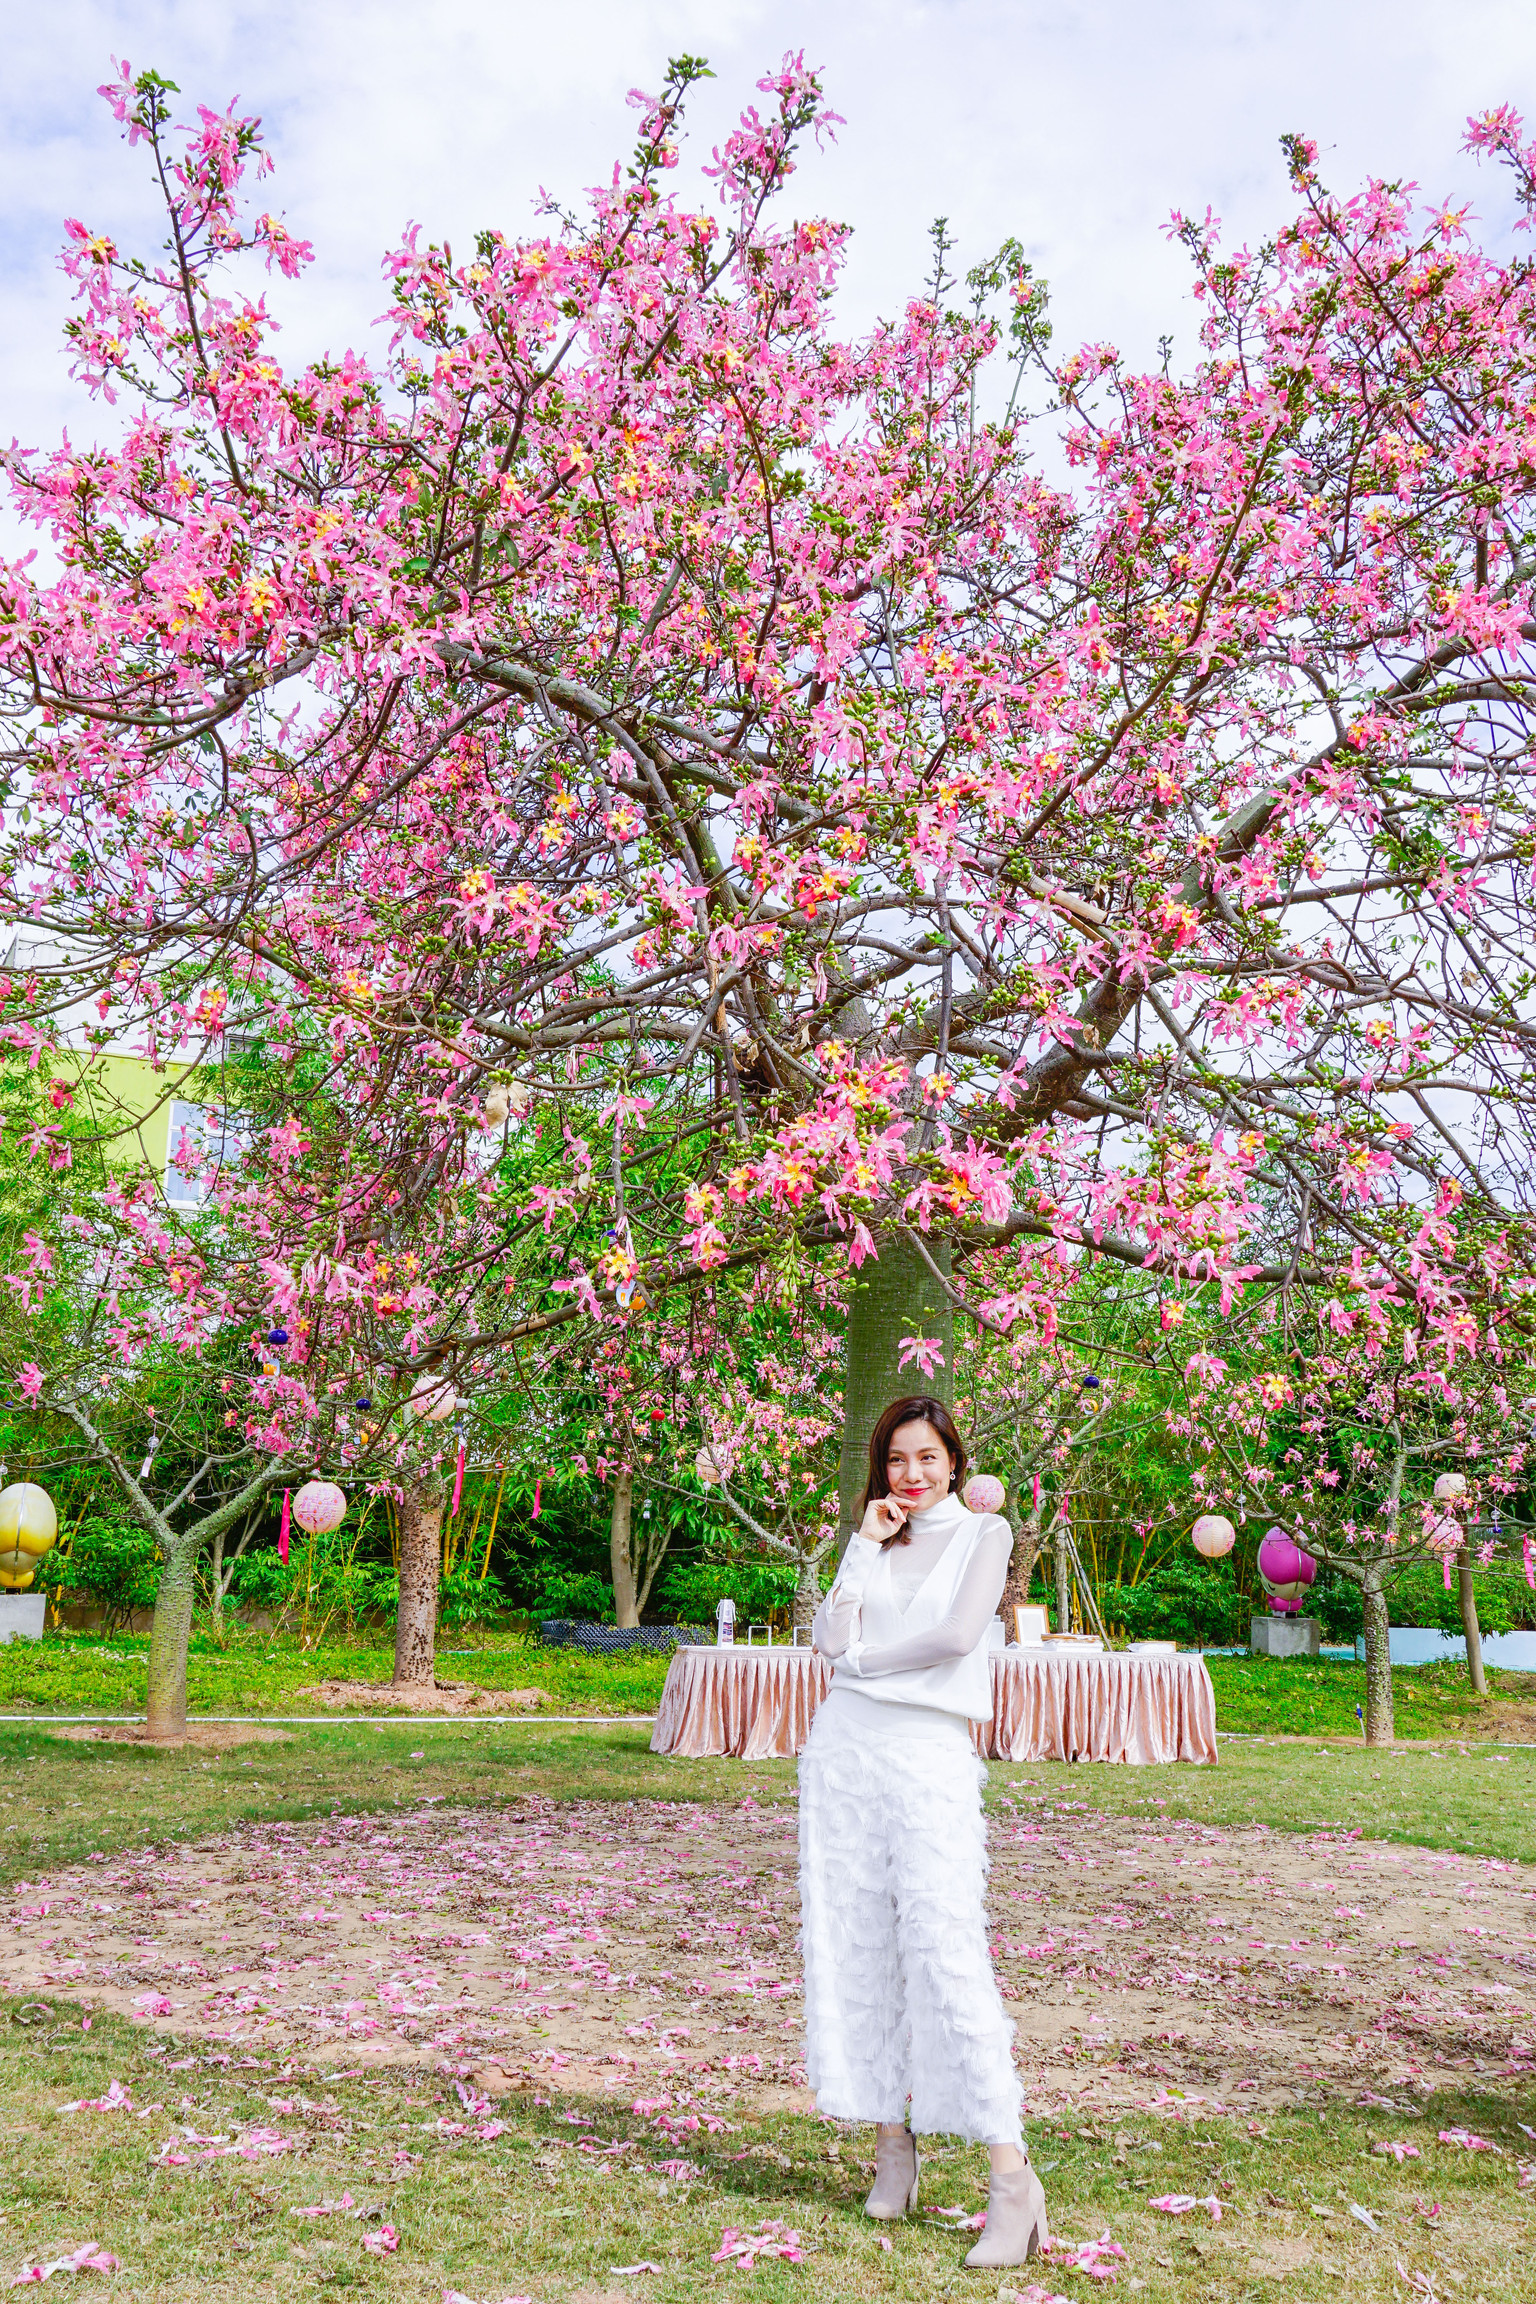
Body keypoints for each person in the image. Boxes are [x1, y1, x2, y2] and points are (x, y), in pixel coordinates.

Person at [799, 1394, 1048, 2269]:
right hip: (845, 1755)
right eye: (897, 1459)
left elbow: (951, 1636)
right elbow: (828, 1630)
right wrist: (863, 1546)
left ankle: (1010, 2181)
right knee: (861, 1946)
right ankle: (892, 2146)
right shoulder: (871, 1538)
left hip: (926, 1754)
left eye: (927, 1457)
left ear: (953, 1460)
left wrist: (862, 1661)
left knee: (943, 1949)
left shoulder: (987, 1535)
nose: (911, 1474)